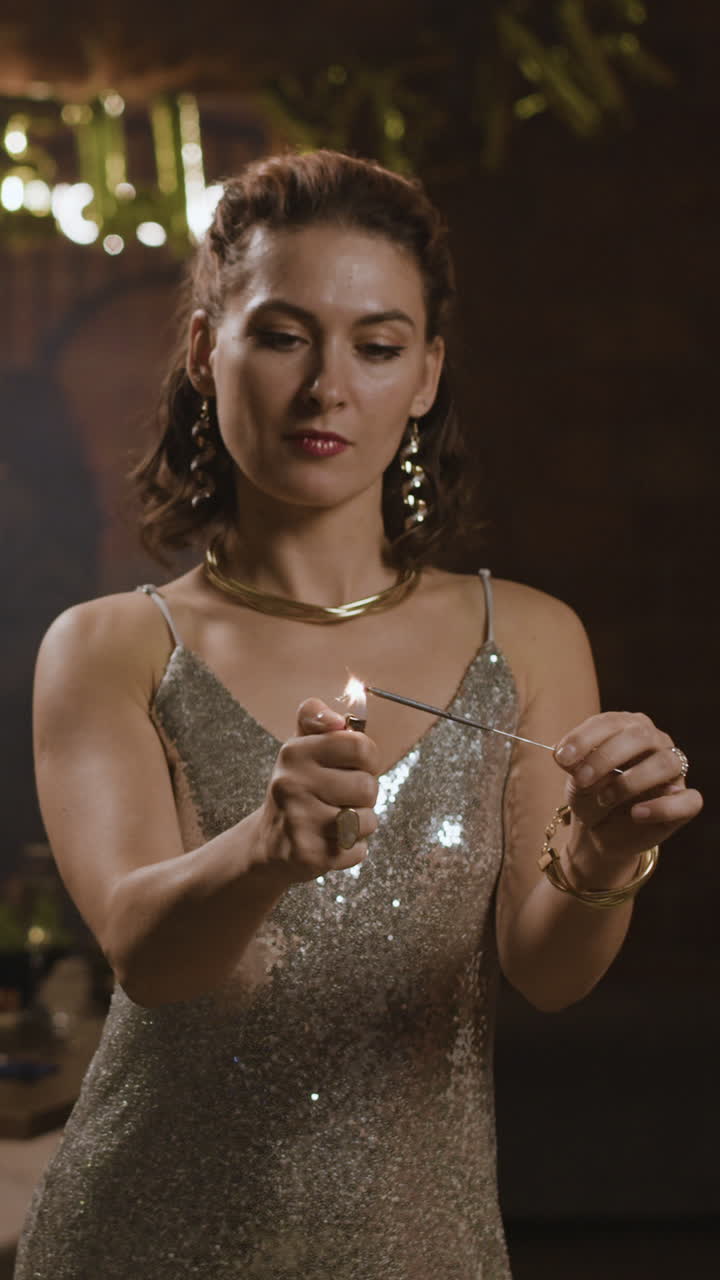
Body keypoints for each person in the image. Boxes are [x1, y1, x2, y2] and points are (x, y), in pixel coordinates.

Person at [15, 150, 702, 1280]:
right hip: (143, 1237)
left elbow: (551, 972)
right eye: (284, 335)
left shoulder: (527, 636)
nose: (328, 386)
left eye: (377, 346)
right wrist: (264, 850)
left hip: (421, 1246)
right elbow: (151, 955)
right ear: (204, 350)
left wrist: (603, 850)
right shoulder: (110, 646)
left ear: (426, 373)